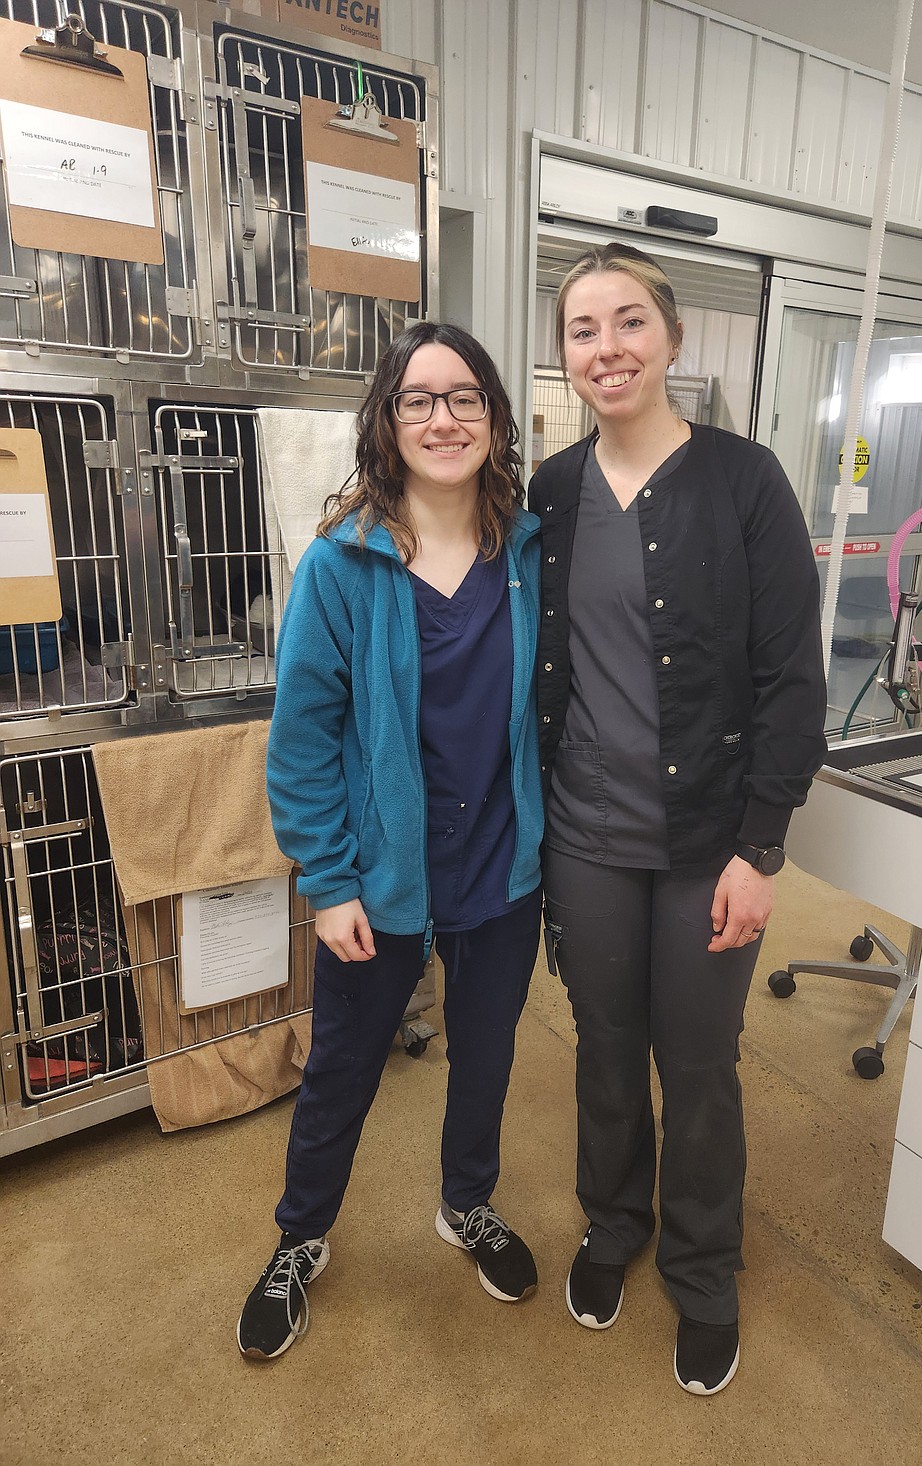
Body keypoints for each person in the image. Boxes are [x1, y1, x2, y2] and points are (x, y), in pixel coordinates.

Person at [529, 244, 827, 1396]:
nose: (606, 348)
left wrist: (760, 848)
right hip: (584, 834)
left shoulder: (743, 482)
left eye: (628, 322)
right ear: (563, 352)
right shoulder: (550, 492)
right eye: (582, 328)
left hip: (708, 839)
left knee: (698, 1064)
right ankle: (613, 1224)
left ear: (670, 336)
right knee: (603, 1051)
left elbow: (789, 684)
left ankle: (703, 1273)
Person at [237, 322, 544, 1361]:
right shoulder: (342, 564)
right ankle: (299, 1237)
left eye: (463, 397)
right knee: (342, 1067)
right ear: (387, 420)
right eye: (418, 399)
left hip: (501, 868)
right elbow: (301, 742)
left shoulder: (528, 554)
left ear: (495, 418)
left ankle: (466, 1203)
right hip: (379, 877)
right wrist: (328, 880)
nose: (442, 417)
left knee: (487, 1057)